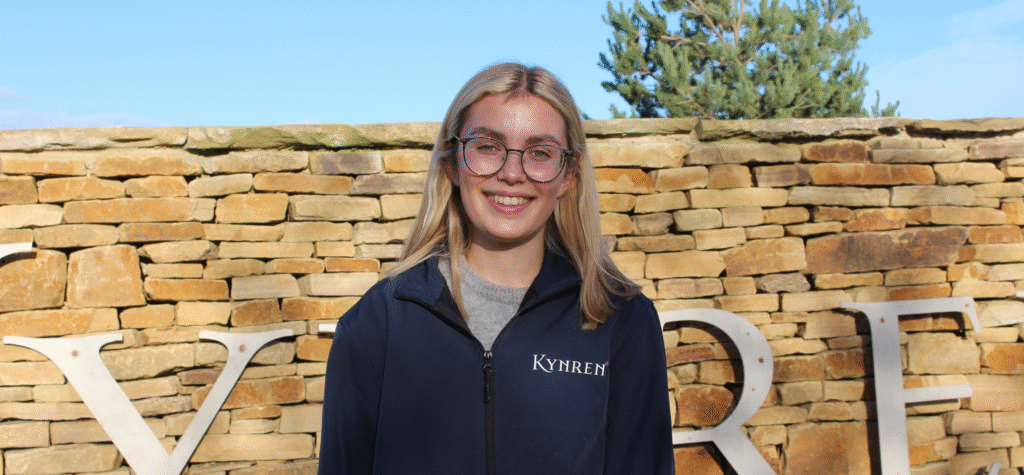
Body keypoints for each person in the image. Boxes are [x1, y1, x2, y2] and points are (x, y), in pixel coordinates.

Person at [318, 63, 674, 474]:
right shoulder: (379, 320)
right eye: (488, 146)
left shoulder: (621, 320)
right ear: (452, 163)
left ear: (569, 175)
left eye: (540, 153)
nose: (511, 173)